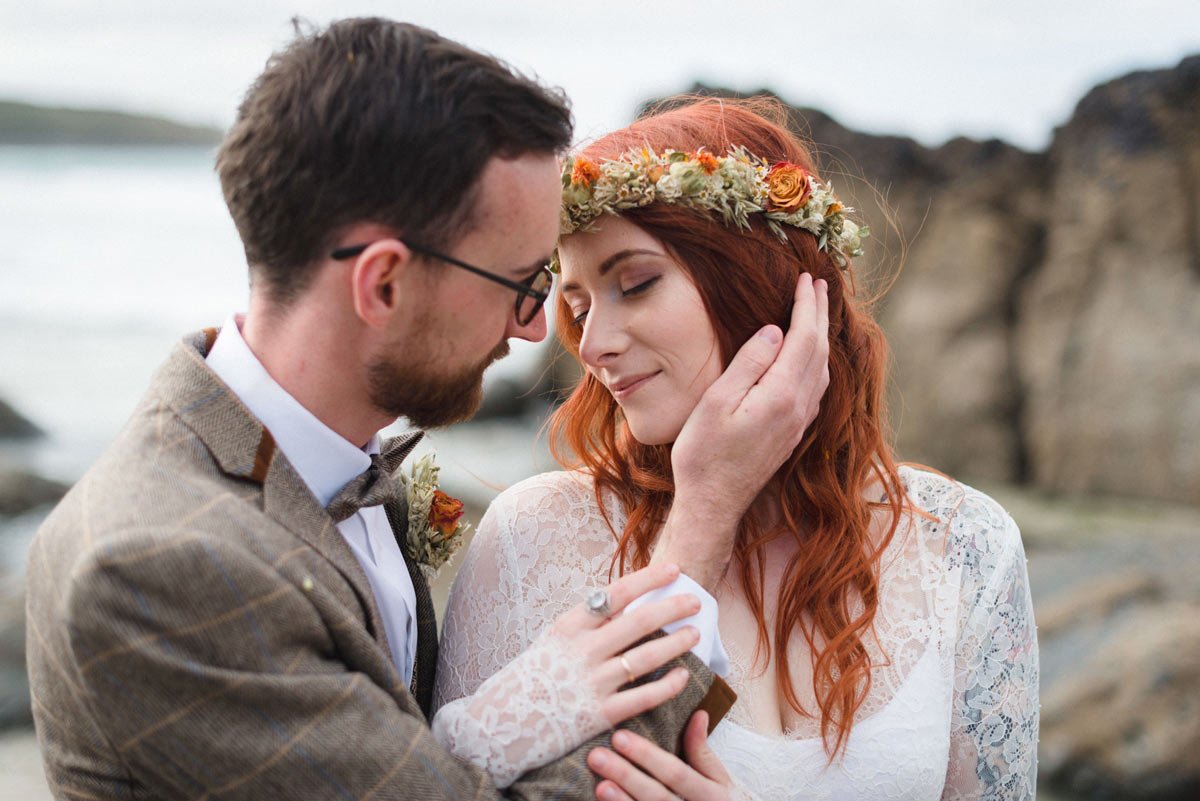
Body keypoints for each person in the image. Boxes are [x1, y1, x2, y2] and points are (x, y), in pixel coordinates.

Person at [23, 21, 828, 801]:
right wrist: (703, 518)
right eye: (522, 285)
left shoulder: (338, 463)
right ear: (382, 285)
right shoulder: (163, 565)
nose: (537, 331)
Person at [436, 98, 1040, 801]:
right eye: (577, 305)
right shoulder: (527, 537)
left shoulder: (966, 546)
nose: (594, 344)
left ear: (759, 279)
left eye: (634, 283)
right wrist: (707, 498)